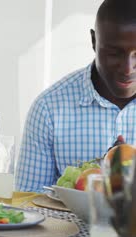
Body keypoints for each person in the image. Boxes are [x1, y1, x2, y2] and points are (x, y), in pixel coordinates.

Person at [16, 0, 136, 192]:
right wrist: (98, 175)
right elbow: (28, 206)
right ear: (94, 41)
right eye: (115, 53)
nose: (128, 69)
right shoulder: (49, 108)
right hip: (69, 224)